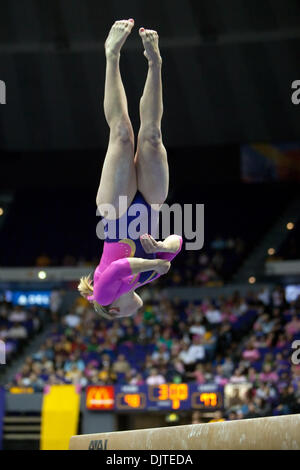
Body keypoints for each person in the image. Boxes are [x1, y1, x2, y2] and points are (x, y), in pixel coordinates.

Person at [78, 19, 182, 319]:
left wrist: (155, 263)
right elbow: (177, 244)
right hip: (149, 204)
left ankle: (112, 55)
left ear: (112, 310)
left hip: (115, 210)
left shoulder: (103, 294)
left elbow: (120, 267)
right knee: (151, 135)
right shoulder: (148, 279)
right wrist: (162, 246)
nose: (131, 316)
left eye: (124, 317)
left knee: (122, 134)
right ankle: (155, 63)